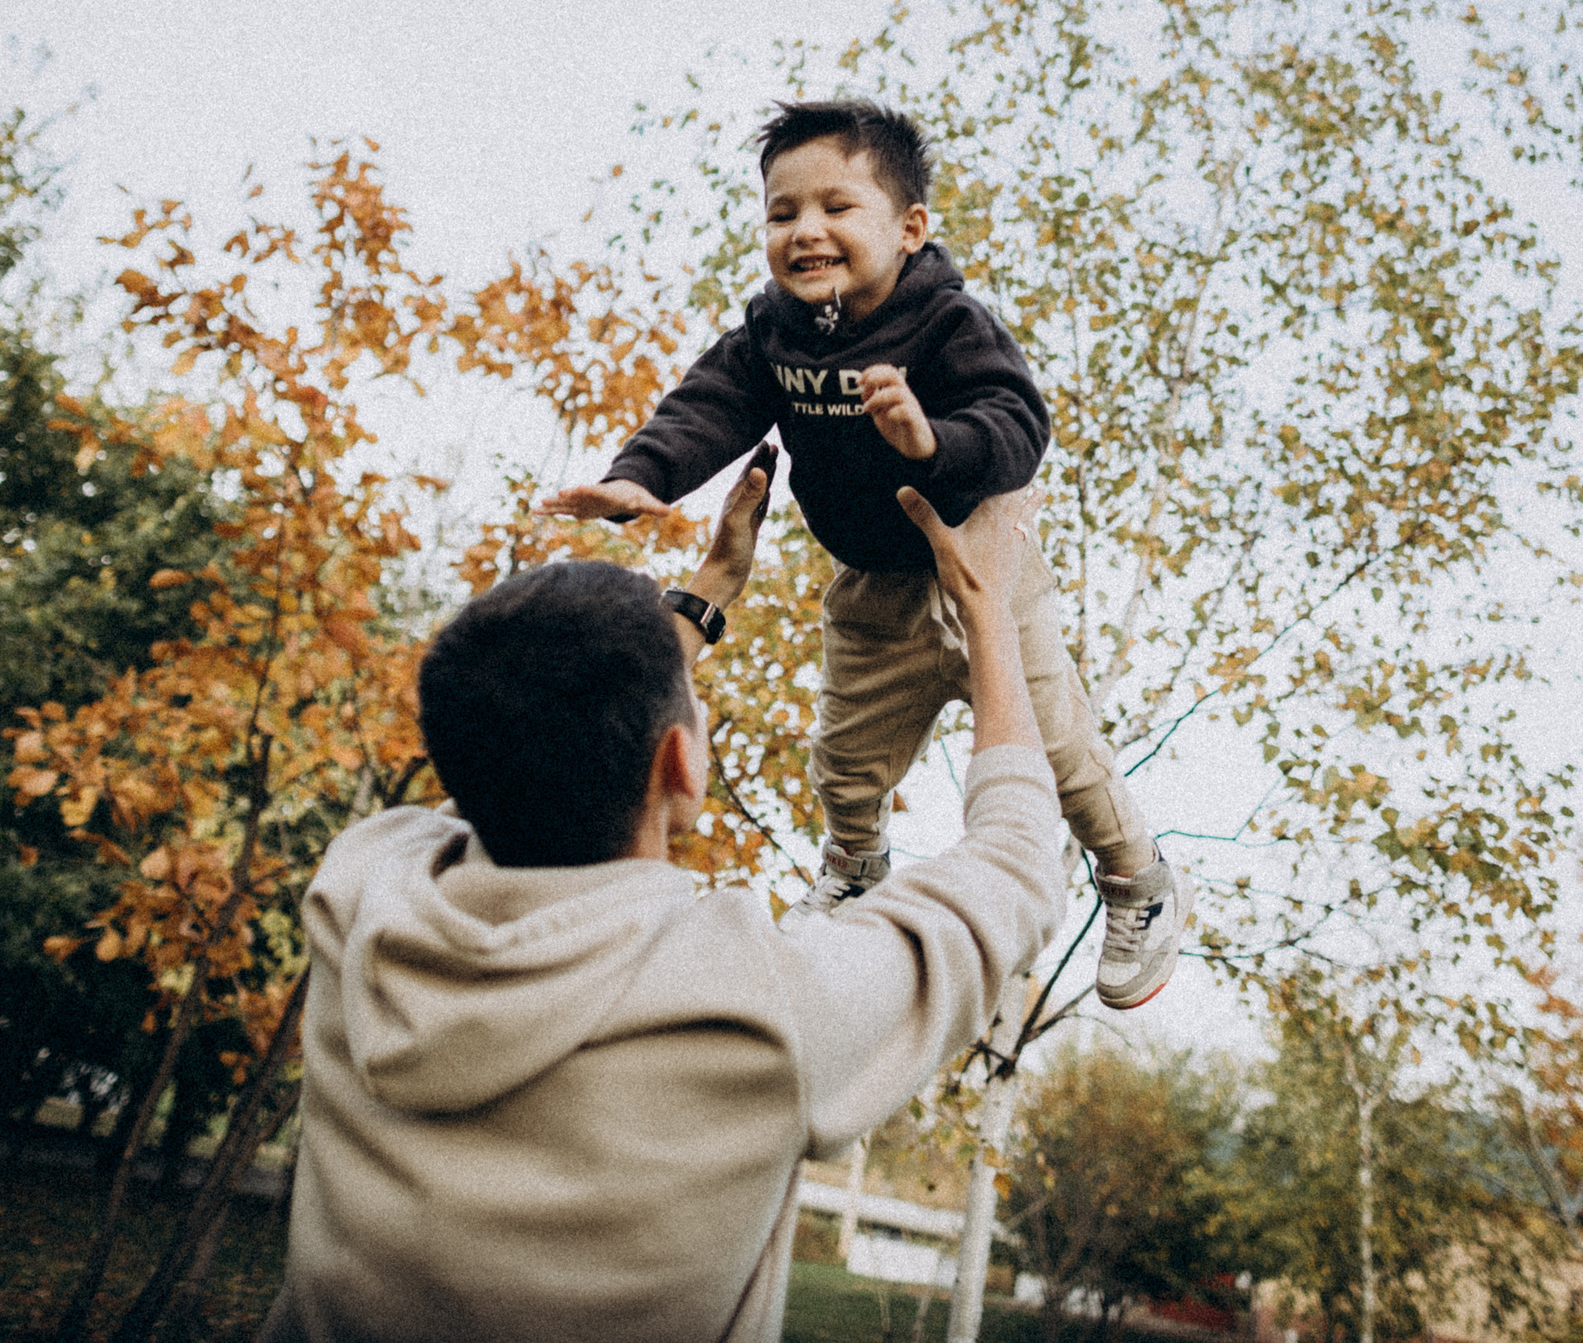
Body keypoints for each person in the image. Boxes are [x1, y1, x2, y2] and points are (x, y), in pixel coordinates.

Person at [260, 454, 1063, 1343]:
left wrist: (709, 590)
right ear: (679, 763)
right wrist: (987, 613)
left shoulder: (361, 888)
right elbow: (1020, 862)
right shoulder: (760, 1008)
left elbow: (525, 750)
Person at [540, 98, 1191, 1010]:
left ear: (911, 228)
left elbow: (1018, 424)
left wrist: (934, 443)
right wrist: (643, 475)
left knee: (1056, 748)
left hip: (983, 575)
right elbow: (708, 405)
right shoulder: (773, 335)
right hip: (873, 590)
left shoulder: (949, 323)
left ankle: (1135, 875)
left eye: (836, 208)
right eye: (782, 213)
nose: (805, 231)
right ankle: (855, 864)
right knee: (844, 757)